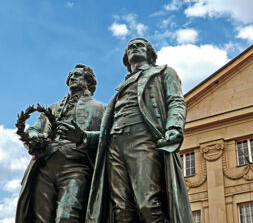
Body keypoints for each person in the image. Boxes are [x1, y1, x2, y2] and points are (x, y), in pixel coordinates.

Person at [63, 38, 193, 222]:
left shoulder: (164, 72)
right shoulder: (120, 89)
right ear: (126, 57)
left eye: (140, 45)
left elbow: (176, 101)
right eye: (130, 46)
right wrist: (84, 136)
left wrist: (173, 126)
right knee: (121, 209)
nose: (134, 47)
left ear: (149, 53)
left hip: (143, 139)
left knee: (148, 203)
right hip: (115, 145)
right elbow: (107, 130)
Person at [15, 64, 106, 223]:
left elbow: (111, 138)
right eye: (71, 75)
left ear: (88, 82)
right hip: (44, 166)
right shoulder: (52, 108)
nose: (72, 78)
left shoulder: (101, 108)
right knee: (40, 218)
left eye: (77, 75)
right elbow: (34, 129)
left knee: (66, 217)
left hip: (76, 167)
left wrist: (83, 136)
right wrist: (34, 136)